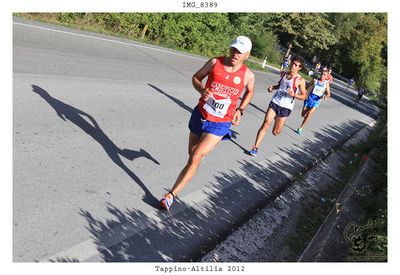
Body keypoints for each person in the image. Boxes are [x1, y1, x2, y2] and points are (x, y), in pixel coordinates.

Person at [160, 36, 255, 210]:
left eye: (240, 52)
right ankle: (197, 159)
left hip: (221, 122)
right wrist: (202, 89)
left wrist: (240, 110)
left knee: (196, 157)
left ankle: (170, 195)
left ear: (247, 55)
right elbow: (196, 78)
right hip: (201, 114)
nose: (235, 54)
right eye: (233, 49)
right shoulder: (214, 63)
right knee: (192, 154)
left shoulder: (248, 75)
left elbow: (250, 92)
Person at [249, 56, 307, 156]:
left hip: (286, 107)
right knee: (266, 123)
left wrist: (294, 95)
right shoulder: (284, 74)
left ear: (299, 68)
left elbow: (304, 96)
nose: (293, 66)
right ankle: (255, 147)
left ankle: (277, 120)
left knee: (276, 132)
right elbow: (280, 86)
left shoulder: (300, 80)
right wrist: (272, 88)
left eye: (296, 65)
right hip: (275, 102)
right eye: (293, 63)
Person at [296, 70, 331, 134]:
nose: (322, 75)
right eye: (322, 74)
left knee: (309, 115)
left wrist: (326, 96)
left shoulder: (326, 84)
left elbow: (329, 93)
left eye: (324, 75)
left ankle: (300, 128)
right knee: (303, 115)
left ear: (326, 77)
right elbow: (307, 86)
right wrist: (304, 92)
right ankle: (307, 111)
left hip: (316, 102)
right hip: (308, 99)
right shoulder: (315, 80)